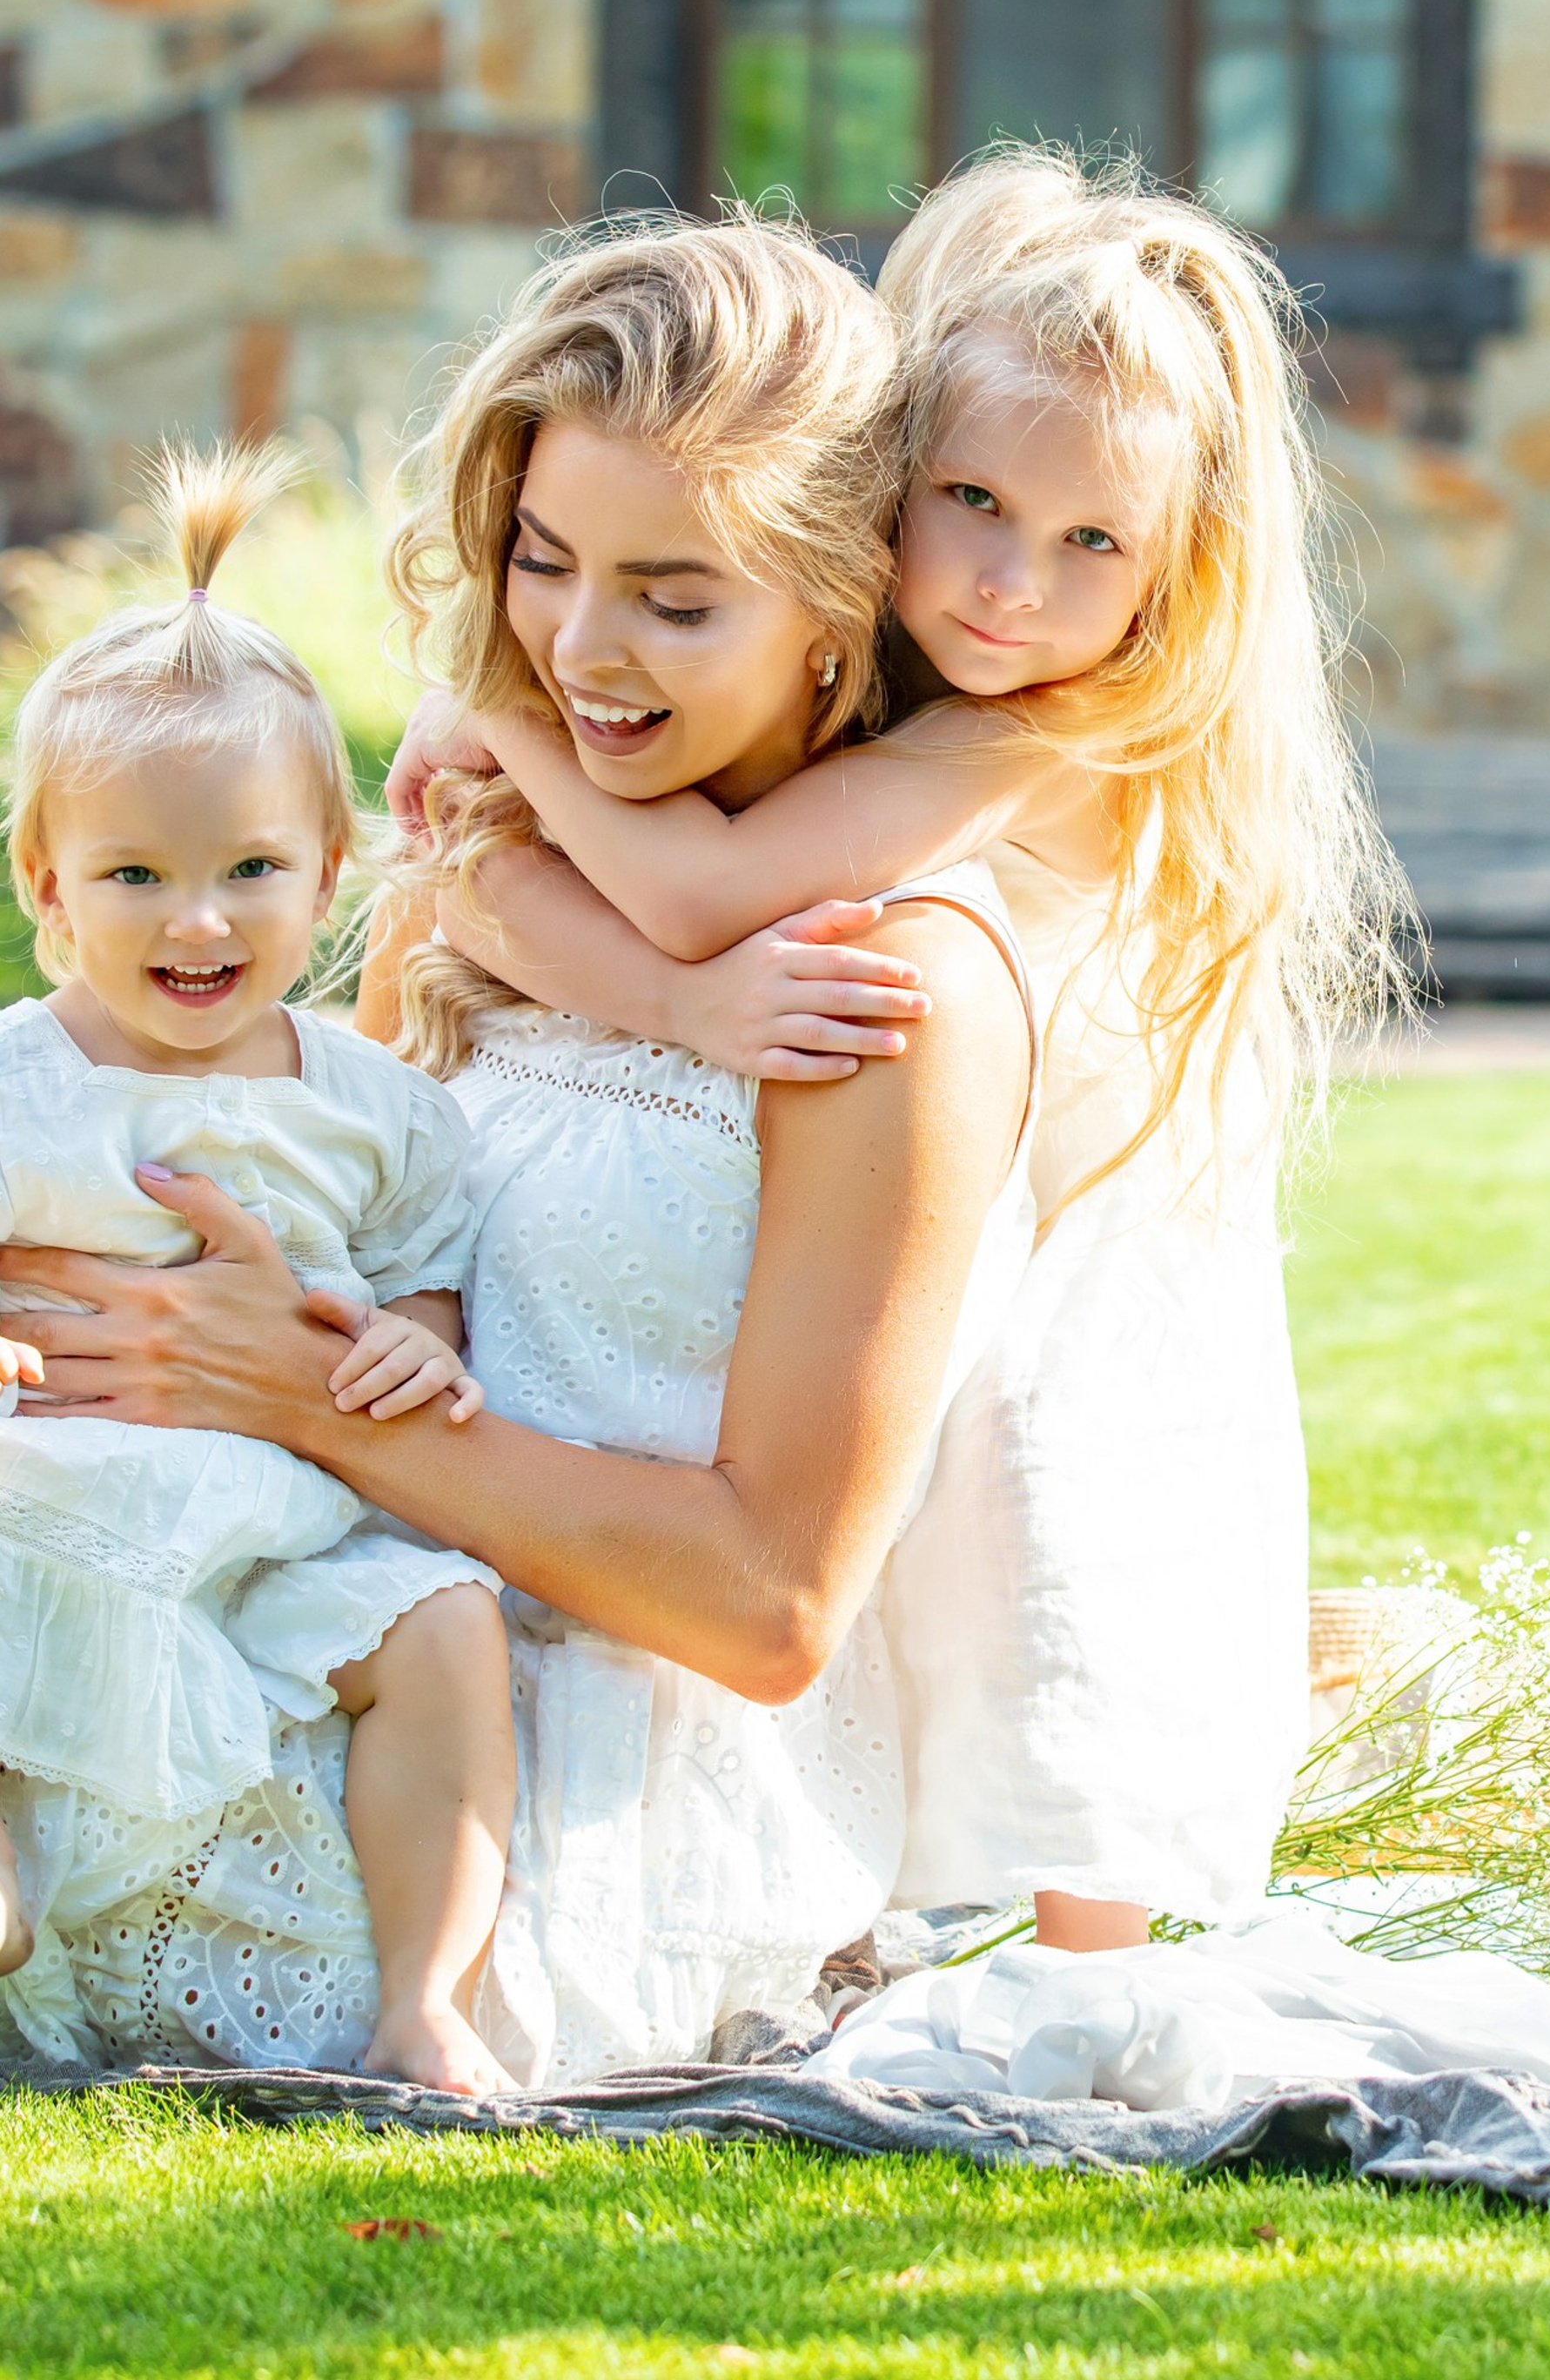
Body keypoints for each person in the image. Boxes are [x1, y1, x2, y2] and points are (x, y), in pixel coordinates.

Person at [0, 216, 1036, 2089]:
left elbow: (772, 1603)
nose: (575, 647)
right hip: (281, 1630)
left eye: (674, 595)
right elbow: (332, 1256)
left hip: (555, 1807)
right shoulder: (488, 884)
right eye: (543, 562)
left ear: (833, 609)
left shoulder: (885, 998)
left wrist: (316, 1403)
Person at [384, 146, 1408, 1941]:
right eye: (973, 507)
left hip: (1088, 1249)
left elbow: (701, 905)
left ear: (1176, 577)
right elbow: (481, 906)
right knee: (951, 1606)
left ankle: (1085, 1977)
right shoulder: (904, 675)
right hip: (970, 1200)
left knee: (1060, 1601)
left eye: (1093, 542)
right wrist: (518, 761)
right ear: (886, 500)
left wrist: (507, 719)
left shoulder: (1041, 729)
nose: (1012, 582)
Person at [0, 447, 513, 2094]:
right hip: (41, 1487)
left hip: (272, 1517)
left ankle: (427, 1996)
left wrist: (419, 1356)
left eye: (250, 870)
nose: (197, 920)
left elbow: (420, 1295)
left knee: (443, 1622)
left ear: (332, 870)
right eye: (135, 875)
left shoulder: (377, 1111)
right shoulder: (19, 1080)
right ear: (47, 889)